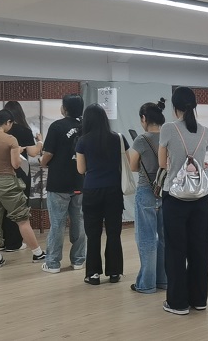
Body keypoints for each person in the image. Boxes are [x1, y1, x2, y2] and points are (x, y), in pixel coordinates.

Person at [158, 86, 208, 315]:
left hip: (175, 196)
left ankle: (178, 303)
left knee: (175, 250)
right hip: (200, 198)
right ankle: (199, 299)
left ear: (175, 106)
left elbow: (162, 163)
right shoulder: (205, 131)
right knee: (200, 249)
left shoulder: (168, 128)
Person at [0, 109, 46, 268]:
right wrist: (16, 151)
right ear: (7, 122)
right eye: (11, 123)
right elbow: (15, 164)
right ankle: (37, 253)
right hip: (6, 182)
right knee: (22, 219)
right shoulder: (10, 140)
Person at [76, 104, 128, 285]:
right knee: (114, 233)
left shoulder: (83, 141)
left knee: (93, 234)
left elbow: (81, 169)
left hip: (92, 190)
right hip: (114, 190)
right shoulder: (118, 138)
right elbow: (127, 162)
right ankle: (114, 272)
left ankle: (93, 274)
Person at [39, 94, 86, 274]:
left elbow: (48, 154)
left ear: (64, 109)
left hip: (58, 183)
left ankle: (53, 263)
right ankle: (79, 260)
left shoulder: (57, 126)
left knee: (57, 224)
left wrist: (42, 162)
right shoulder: (86, 126)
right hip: (80, 181)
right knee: (79, 223)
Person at [129, 98, 167, 293]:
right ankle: (163, 280)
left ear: (144, 118)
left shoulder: (141, 140)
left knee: (146, 238)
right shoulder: (168, 137)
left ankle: (146, 284)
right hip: (165, 191)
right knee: (164, 238)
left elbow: (133, 166)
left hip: (146, 190)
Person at [2, 101, 43, 252]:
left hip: (2, 172)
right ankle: (14, 243)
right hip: (21, 171)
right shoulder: (24, 131)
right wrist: (40, 141)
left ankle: (3, 241)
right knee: (19, 207)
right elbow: (33, 153)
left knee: (3, 207)